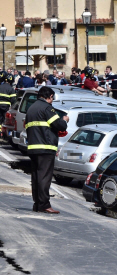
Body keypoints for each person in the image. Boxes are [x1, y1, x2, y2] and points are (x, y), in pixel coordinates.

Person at [26, 86, 69, 214]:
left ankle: (38, 204)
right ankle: (45, 205)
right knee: (44, 177)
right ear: (49, 97)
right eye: (52, 98)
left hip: (33, 148)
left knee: (37, 177)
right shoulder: (47, 108)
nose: (52, 101)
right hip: (45, 148)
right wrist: (64, 120)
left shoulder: (31, 108)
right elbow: (59, 125)